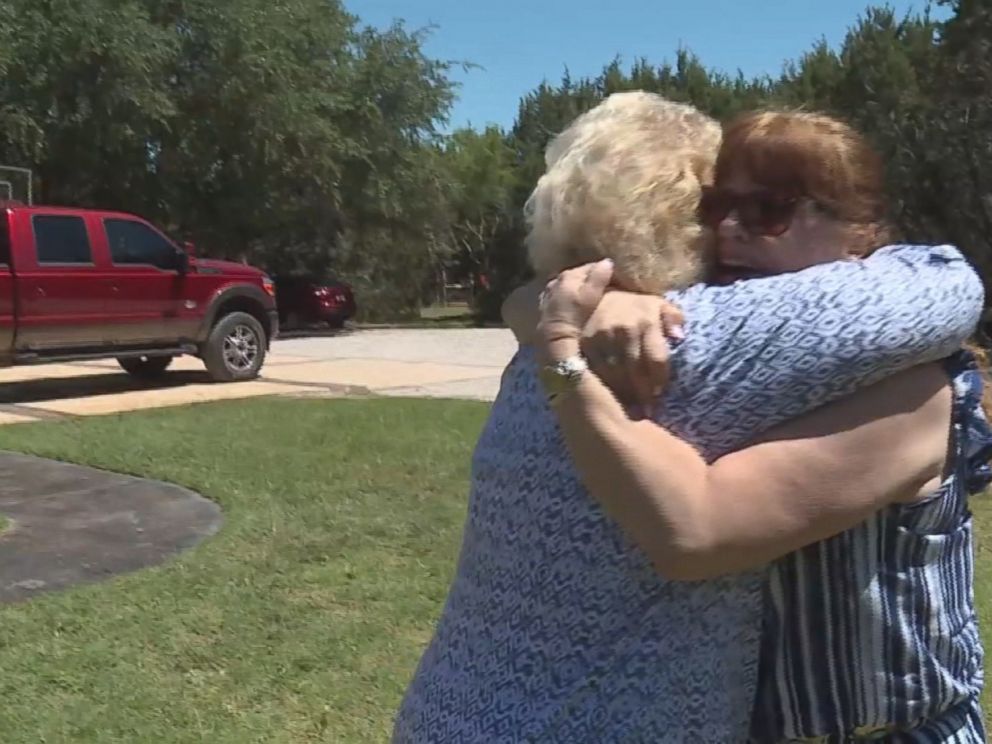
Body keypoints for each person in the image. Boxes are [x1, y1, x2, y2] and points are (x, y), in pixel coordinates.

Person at [393, 94, 984, 742]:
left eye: (769, 209)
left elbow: (944, 285)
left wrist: (562, 325)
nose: (730, 227)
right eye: (716, 206)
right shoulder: (668, 340)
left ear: (860, 231)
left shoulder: (900, 384)